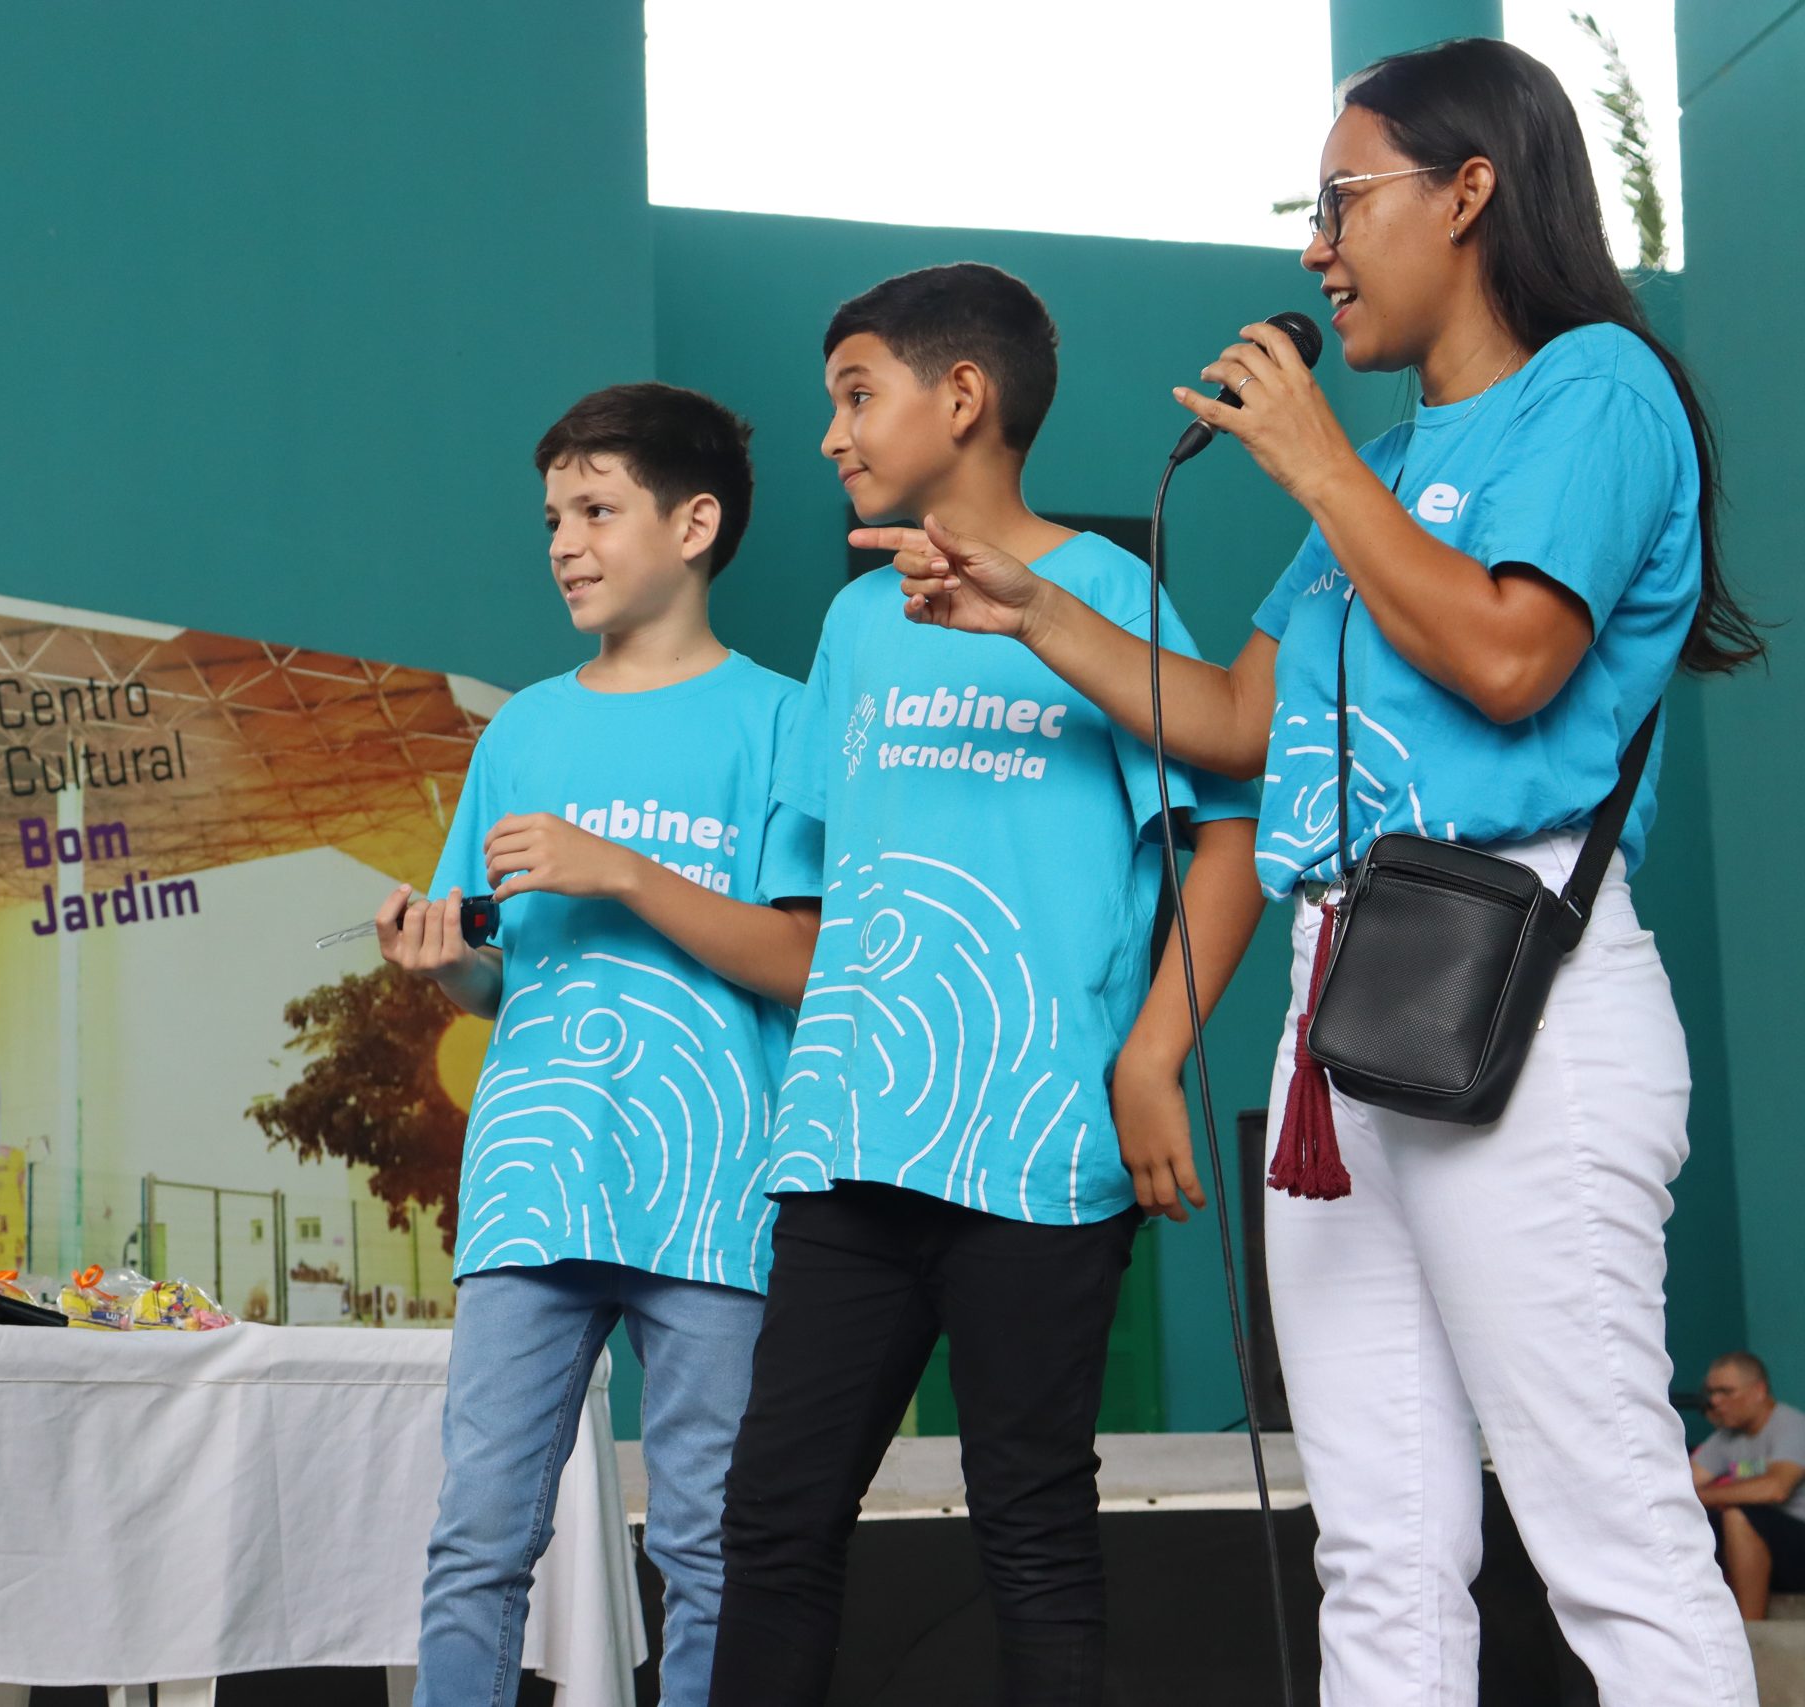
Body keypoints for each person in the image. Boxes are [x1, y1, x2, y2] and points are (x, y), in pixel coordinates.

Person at [885, 39, 1765, 1705]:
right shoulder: (1382, 474)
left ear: (1472, 192)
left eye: (1344, 200)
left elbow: (1513, 660)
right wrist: (1035, 608)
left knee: (1610, 1535)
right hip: (1341, 1014)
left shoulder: (1596, 392)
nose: (1316, 249)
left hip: (1520, 1000)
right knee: (1374, 1539)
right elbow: (1231, 718)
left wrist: (1323, 467)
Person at [707, 264, 1262, 1707]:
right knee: (771, 1520)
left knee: (1032, 1532)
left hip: (1040, 1148)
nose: (831, 432)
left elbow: (1233, 827)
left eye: (856, 393)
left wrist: (1150, 1056)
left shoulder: (1111, 593)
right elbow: (815, 904)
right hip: (846, 1144)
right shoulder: (852, 628)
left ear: (964, 398)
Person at [380, 382, 822, 1707]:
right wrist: (452, 962)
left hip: (717, 1190)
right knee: (478, 1539)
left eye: (596, 508)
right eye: (554, 515)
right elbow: (495, 975)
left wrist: (622, 869)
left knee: (706, 1542)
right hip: (530, 1183)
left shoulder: (783, 719)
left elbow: (801, 958)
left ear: (695, 524)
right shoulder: (523, 728)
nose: (564, 540)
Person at [1696, 1352, 1805, 1620]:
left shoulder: (1792, 1426)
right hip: (1766, 1552)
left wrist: (1707, 1496)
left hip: (1798, 1544)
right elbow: (1684, 1485)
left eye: (1726, 1391)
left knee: (1737, 1514)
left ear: (1758, 1391)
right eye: (1712, 1392)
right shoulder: (1725, 1438)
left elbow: (1775, 1487)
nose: (1715, 1401)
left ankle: (1750, 1631)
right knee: (1692, 1517)